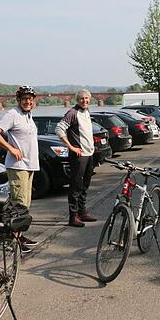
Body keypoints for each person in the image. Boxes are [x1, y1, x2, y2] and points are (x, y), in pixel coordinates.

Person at [0, 85, 39, 252]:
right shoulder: (13, 114)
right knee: (19, 203)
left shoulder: (28, 115)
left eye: (30, 99)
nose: (28, 101)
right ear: (19, 100)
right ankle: (13, 239)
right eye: (25, 99)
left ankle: (18, 235)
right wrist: (11, 149)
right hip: (18, 166)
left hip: (28, 166)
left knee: (24, 203)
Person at [55, 89, 97, 227]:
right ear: (77, 100)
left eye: (86, 98)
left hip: (89, 154)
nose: (84, 101)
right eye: (82, 99)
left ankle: (82, 212)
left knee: (85, 185)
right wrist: (70, 147)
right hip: (78, 156)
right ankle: (73, 216)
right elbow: (59, 129)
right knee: (76, 186)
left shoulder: (86, 112)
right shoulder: (73, 113)